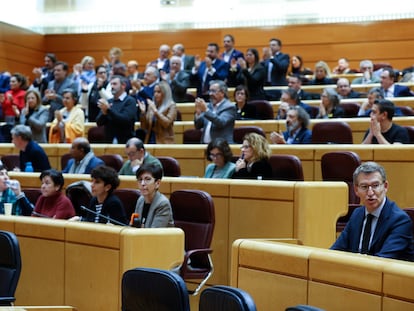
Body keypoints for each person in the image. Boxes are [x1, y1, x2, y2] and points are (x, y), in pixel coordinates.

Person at [331, 162, 414, 261]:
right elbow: (335, 252)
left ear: (385, 186)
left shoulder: (400, 220)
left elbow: (382, 262)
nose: (370, 193)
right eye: (364, 187)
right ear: (356, 190)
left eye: (375, 185)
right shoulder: (357, 214)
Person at [96, 75, 137, 144]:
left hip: (125, 142)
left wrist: (108, 110)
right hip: (109, 141)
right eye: (111, 84)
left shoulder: (130, 101)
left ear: (123, 85)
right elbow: (98, 123)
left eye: (115, 84)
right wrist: (104, 113)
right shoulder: (109, 101)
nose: (112, 86)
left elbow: (125, 120)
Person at [134, 163, 174, 228]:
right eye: (140, 179)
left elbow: (154, 234)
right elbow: (134, 226)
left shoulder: (162, 204)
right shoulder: (140, 200)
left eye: (147, 179)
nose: (142, 183)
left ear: (157, 183)